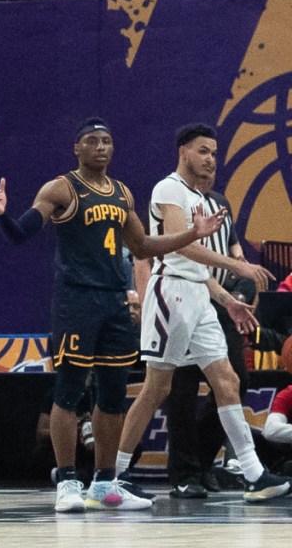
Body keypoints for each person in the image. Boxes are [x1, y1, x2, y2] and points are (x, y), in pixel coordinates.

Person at [0, 117, 226, 512]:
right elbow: (20, 233)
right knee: (70, 389)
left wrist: (192, 234)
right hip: (76, 301)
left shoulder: (121, 193)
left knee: (113, 395)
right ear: (76, 147)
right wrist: (1, 215)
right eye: (92, 141)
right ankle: (66, 481)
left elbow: (144, 245)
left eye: (107, 141)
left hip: (114, 301)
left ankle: (103, 482)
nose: (101, 147)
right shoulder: (61, 188)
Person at [113, 123, 289, 506]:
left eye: (214, 152)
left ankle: (255, 474)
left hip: (198, 295)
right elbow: (183, 251)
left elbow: (201, 272)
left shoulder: (208, 201)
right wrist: (238, 267)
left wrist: (227, 299)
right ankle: (117, 475)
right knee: (157, 388)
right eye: (203, 151)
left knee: (227, 380)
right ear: (183, 151)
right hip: (170, 293)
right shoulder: (168, 188)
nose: (211, 158)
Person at [165, 168, 253, 499]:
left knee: (237, 382)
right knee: (182, 388)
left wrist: (239, 294)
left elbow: (237, 254)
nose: (210, 166)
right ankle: (184, 473)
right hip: (186, 298)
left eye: (214, 158)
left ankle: (199, 460)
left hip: (220, 302)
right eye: (203, 155)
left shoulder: (220, 203)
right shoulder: (175, 201)